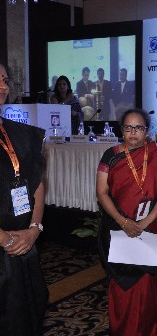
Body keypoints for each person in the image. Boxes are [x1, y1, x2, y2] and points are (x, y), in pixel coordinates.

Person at [96, 108, 157, 336]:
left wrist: (144, 223)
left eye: (138, 128)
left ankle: (151, 330)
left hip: (152, 228)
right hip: (120, 228)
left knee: (152, 286)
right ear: (122, 130)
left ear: (146, 131)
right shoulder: (110, 155)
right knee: (124, 286)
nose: (133, 133)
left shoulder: (155, 155)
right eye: (128, 128)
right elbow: (102, 192)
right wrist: (123, 222)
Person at [0, 63, 48, 335]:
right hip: (5, 245)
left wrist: (34, 229)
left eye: (5, 80)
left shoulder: (19, 132)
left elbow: (36, 181)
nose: (4, 87)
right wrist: (5, 239)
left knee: (30, 312)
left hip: (22, 244)